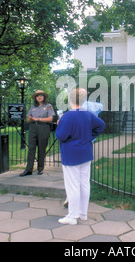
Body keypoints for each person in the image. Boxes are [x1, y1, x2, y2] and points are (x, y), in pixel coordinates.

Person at [55, 88, 105, 225]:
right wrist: (89, 138)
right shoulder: (88, 114)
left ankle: (72, 217)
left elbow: (61, 136)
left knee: (73, 186)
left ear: (70, 99)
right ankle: (83, 214)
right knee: (84, 184)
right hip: (86, 152)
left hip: (71, 154)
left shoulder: (67, 116)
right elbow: (101, 125)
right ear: (83, 100)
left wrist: (59, 125)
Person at [20, 90, 55, 176]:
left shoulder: (48, 106)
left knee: (41, 149)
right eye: (37, 96)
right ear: (35, 98)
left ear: (44, 97)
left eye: (41, 95)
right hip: (33, 128)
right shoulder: (32, 107)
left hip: (43, 127)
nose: (39, 97)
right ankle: (28, 169)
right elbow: (28, 119)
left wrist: (38, 119)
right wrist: (30, 118)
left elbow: (50, 119)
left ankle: (40, 169)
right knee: (31, 148)